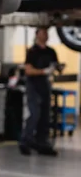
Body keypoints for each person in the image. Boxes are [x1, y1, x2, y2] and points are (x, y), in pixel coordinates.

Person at [19, 27, 62, 156]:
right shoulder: (32, 52)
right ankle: (26, 142)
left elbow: (56, 66)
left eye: (47, 33)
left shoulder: (51, 51)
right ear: (37, 34)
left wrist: (58, 68)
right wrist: (44, 71)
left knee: (45, 115)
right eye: (43, 33)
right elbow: (28, 70)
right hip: (33, 85)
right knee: (34, 114)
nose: (46, 35)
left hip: (45, 85)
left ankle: (42, 143)